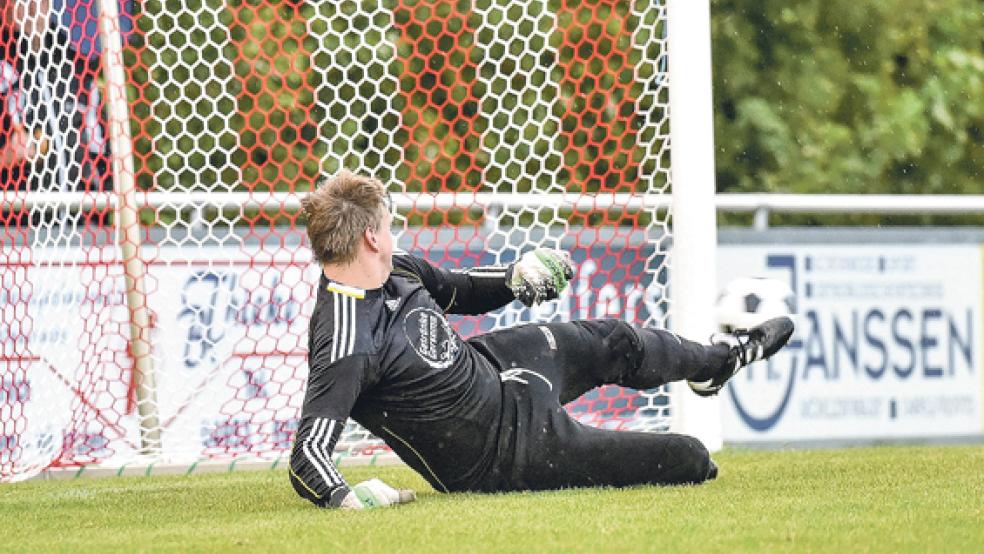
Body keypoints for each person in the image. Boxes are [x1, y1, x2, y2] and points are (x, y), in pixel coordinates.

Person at [289, 171, 794, 509]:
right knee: (689, 457)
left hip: (497, 367)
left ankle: (719, 361)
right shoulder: (344, 340)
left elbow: (460, 290)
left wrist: (515, 277)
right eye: (388, 226)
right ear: (370, 238)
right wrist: (347, 500)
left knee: (615, 339)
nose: (393, 233)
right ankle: (700, 409)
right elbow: (307, 455)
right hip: (503, 453)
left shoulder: (397, 269)